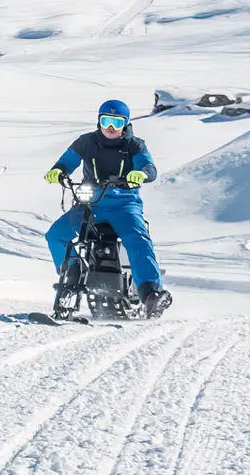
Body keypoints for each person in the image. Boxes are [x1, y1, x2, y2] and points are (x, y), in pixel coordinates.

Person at [43, 99, 170, 316]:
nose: (110, 128)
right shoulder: (86, 142)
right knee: (55, 235)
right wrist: (58, 171)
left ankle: (151, 292)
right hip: (89, 204)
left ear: (126, 124)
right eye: (106, 121)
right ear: (99, 121)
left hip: (124, 204)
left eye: (117, 123)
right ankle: (71, 271)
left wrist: (141, 174)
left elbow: (149, 167)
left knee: (137, 239)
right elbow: (67, 160)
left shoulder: (135, 145)